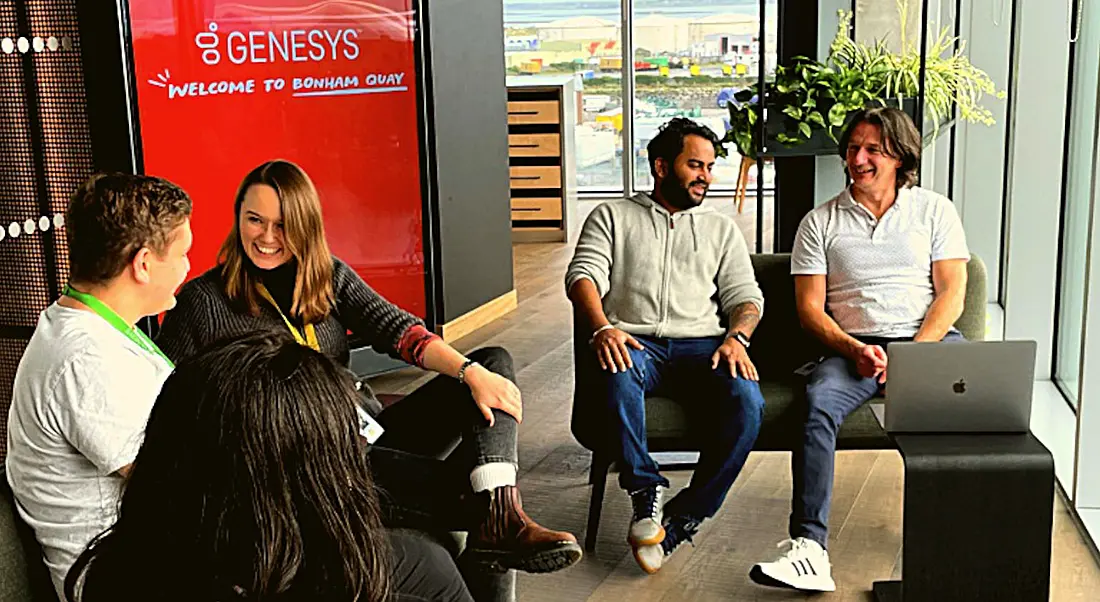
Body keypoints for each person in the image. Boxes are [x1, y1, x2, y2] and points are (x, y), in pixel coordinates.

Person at [155, 159, 581, 580]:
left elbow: (401, 332)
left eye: (283, 225)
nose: (267, 237)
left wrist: (470, 373)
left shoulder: (326, 276)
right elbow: (163, 402)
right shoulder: (202, 302)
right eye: (254, 220)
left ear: (306, 226)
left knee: (492, 367)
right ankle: (500, 516)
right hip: (311, 463)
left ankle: (499, 508)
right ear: (238, 219)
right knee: (474, 496)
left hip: (366, 430)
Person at [66, 331, 474, 602]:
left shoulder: (128, 559)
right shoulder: (202, 304)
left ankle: (494, 506)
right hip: (268, 514)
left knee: (429, 561)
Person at [751, 106, 970, 592]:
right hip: (853, 349)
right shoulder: (819, 221)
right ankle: (809, 549)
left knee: (974, 409)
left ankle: (960, 541)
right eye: (853, 148)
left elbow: (953, 291)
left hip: (926, 340)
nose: (859, 158)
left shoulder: (934, 210)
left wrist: (914, 353)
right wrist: (854, 349)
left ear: (900, 156)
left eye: (873, 149)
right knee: (817, 406)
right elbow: (810, 310)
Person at [566, 117, 766, 574]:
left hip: (705, 347)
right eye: (695, 164)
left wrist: (738, 338)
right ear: (660, 166)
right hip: (635, 343)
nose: (705, 176)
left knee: (748, 402)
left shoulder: (720, 228)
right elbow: (583, 275)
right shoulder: (612, 216)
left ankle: (683, 518)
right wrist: (602, 328)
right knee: (616, 369)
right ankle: (644, 490)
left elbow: (745, 296)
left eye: (710, 167)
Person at [5, 174, 192, 598]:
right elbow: (179, 479)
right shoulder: (85, 361)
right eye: (183, 254)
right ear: (143, 264)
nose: (188, 267)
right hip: (120, 577)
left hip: (147, 552)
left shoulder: (90, 330)